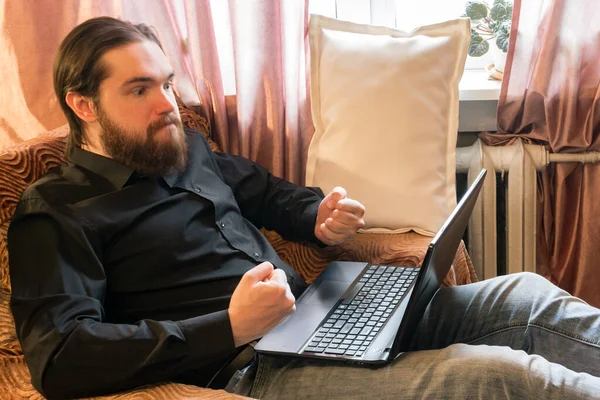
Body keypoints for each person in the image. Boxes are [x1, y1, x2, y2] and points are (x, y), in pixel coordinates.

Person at [7, 16, 600, 400]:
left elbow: (264, 192)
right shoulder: (54, 212)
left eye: (166, 83)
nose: (167, 104)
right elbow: (59, 359)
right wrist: (228, 327)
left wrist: (314, 213)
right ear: (82, 104)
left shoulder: (183, 148)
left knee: (523, 295)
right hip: (253, 368)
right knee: (497, 376)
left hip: (322, 315)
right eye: (139, 90)